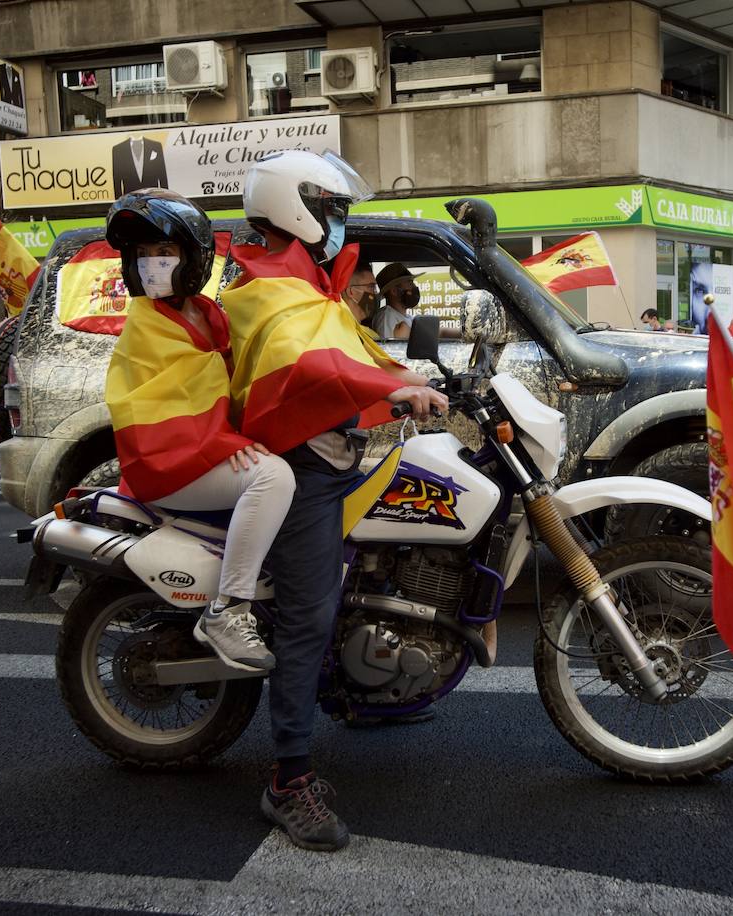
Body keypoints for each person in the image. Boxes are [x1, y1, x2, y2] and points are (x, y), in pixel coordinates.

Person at [223, 150, 448, 852]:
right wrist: (394, 388)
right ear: (299, 208)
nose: (338, 224)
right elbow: (313, 364)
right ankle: (288, 781)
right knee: (308, 616)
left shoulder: (304, 281)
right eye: (332, 210)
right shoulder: (267, 286)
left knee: (371, 570)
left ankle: (364, 691)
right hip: (299, 467)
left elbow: (349, 354)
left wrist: (412, 373)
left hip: (327, 454)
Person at [103, 188, 294, 682]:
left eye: (163, 253)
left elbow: (233, 385)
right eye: (143, 256)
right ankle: (229, 611)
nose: (151, 266)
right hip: (165, 465)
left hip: (198, 455)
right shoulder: (146, 326)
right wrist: (230, 444)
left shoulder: (210, 316)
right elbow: (165, 416)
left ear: (194, 257)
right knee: (272, 479)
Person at [370, 262, 417, 339]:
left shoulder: (407, 317)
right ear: (394, 291)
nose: (414, 287)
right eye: (410, 283)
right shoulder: (386, 318)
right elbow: (388, 349)